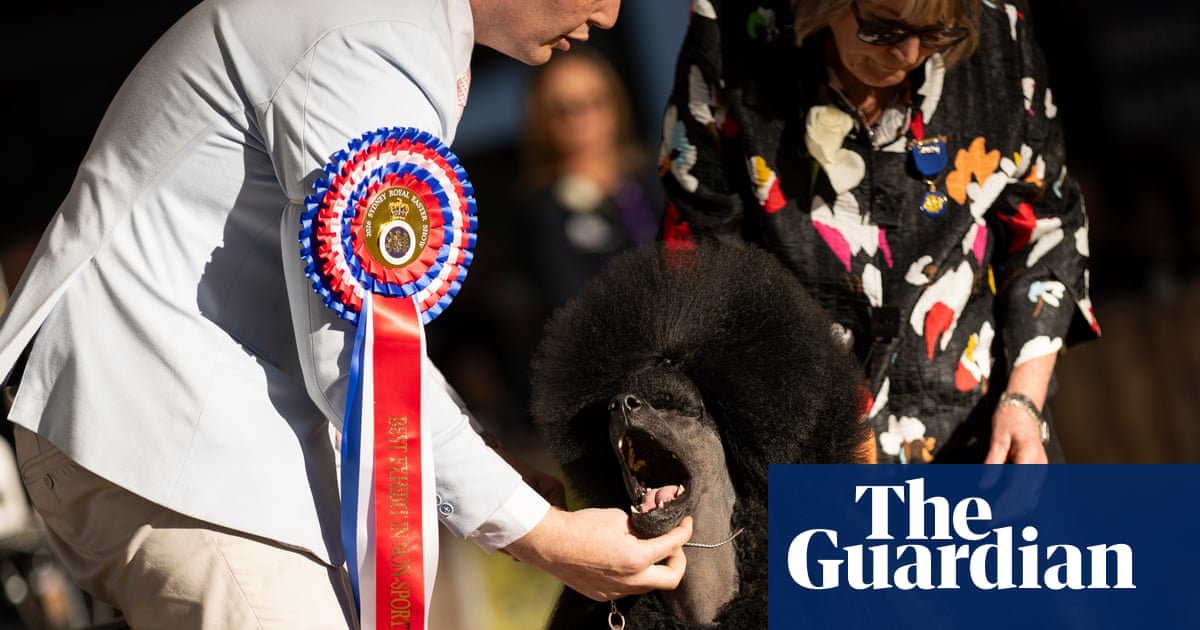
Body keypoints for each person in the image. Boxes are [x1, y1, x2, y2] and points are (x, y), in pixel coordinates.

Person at [0, 0, 694, 627]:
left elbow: (373, 340)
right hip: (171, 445)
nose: (609, 15)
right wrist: (540, 534)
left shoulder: (388, 27)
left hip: (163, 441)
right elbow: (361, 357)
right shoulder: (375, 43)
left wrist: (486, 466)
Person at [660, 0, 1100, 464]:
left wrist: (1023, 401)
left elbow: (1048, 227)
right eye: (882, 30)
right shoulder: (732, 34)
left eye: (935, 34)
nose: (908, 54)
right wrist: (812, 404)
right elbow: (702, 254)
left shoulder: (997, 30)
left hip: (976, 433)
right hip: (801, 436)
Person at [516, 47, 664, 313]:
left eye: (594, 102)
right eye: (563, 109)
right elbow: (567, 300)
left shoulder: (653, 173)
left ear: (615, 104)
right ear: (542, 120)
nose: (581, 119)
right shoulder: (543, 209)